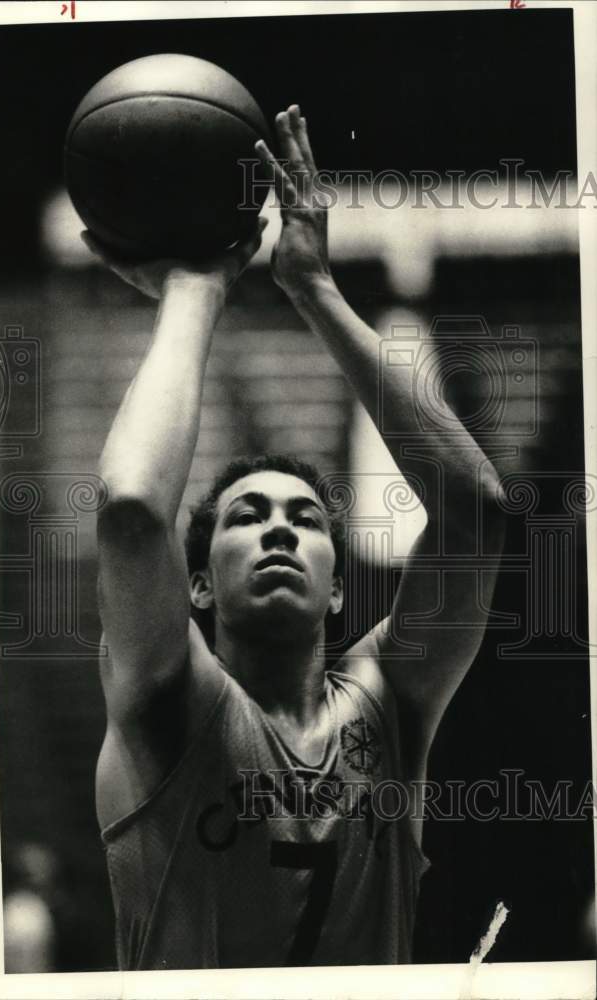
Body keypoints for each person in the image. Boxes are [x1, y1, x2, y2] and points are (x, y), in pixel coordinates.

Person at [85, 106, 506, 970]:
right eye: (246, 516)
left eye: (305, 519)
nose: (279, 526)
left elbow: (474, 511)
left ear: (338, 585)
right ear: (196, 586)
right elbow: (132, 509)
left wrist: (314, 289)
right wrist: (198, 285)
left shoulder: (390, 703)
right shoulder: (169, 698)